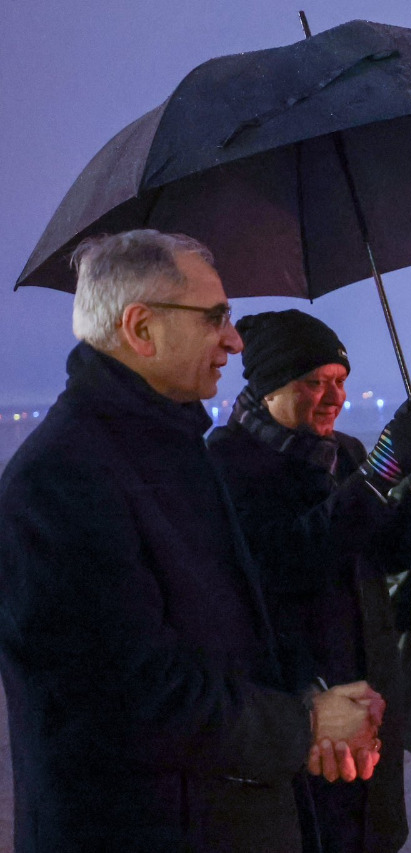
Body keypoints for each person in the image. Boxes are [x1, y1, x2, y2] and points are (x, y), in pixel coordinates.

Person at [0, 230, 385, 851]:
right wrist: (304, 723)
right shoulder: (60, 480)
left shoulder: (173, 450)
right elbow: (134, 694)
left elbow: (227, 631)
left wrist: (310, 695)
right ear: (141, 329)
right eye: (214, 317)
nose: (234, 339)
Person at [207, 309, 411, 853]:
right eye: (314, 383)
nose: (333, 397)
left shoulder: (343, 455)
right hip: (300, 700)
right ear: (267, 388)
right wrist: (382, 470)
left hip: (370, 694)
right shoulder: (228, 462)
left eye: (340, 382)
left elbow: (385, 552)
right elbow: (292, 556)